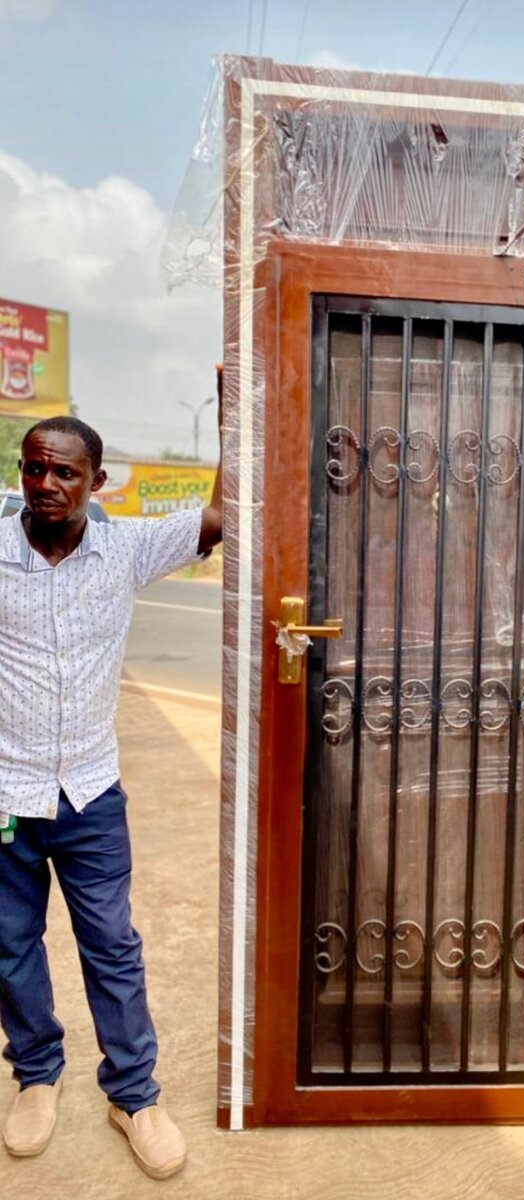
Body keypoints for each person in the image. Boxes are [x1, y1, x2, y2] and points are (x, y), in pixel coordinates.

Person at [0, 395, 223, 1181]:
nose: (46, 483)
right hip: (5, 798)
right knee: (8, 946)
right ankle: (35, 1075)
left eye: (65, 471)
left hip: (91, 792)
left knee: (112, 946)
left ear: (97, 482)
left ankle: (132, 1093)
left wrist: (237, 413)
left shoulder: (125, 549)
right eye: (34, 467)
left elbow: (221, 513)